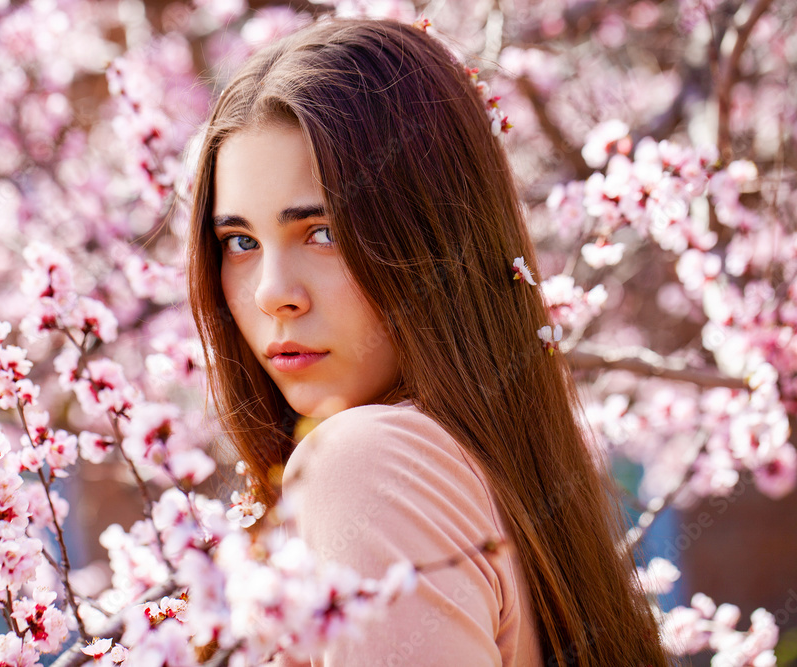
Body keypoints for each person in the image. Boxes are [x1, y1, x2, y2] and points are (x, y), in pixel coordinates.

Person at [187, 16, 668, 667]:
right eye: (239, 242)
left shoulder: (365, 462)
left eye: (322, 230)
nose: (274, 292)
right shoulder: (477, 468)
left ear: (432, 242)